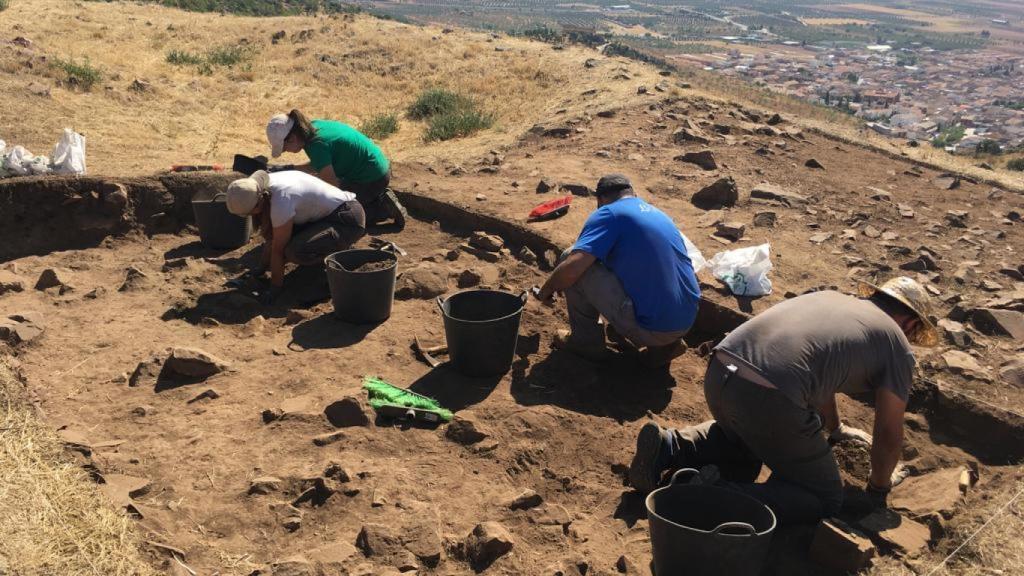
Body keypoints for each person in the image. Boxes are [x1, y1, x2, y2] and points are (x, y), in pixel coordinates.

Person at [627, 277, 939, 525]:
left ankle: (671, 446)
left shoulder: (835, 300)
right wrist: (878, 488)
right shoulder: (896, 344)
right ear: (911, 324)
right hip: (769, 395)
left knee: (749, 445)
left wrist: (836, 429)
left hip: (722, 370)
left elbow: (816, 372)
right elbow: (887, 432)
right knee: (824, 497)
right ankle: (706, 494)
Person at [535, 174, 701, 367]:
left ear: (600, 200)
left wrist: (546, 290)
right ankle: (666, 347)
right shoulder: (658, 214)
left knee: (571, 258)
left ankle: (585, 343)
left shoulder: (609, 213)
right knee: (605, 259)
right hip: (686, 320)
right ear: (633, 193)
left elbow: (573, 267)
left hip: (652, 328)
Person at [226, 170, 365, 304]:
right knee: (285, 243)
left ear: (258, 203)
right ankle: (330, 246)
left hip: (347, 220)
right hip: (322, 217)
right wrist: (260, 268)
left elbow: (277, 250)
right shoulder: (261, 188)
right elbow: (272, 238)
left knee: (294, 251)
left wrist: (274, 288)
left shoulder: (281, 200)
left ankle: (337, 267)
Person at [265, 109, 407, 228]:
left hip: (372, 178)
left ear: (292, 138)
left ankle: (383, 208)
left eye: (284, 148)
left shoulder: (316, 145)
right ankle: (375, 198)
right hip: (377, 167)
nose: (286, 152)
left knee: (339, 217)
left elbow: (333, 191)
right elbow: (320, 163)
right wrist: (290, 168)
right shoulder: (313, 128)